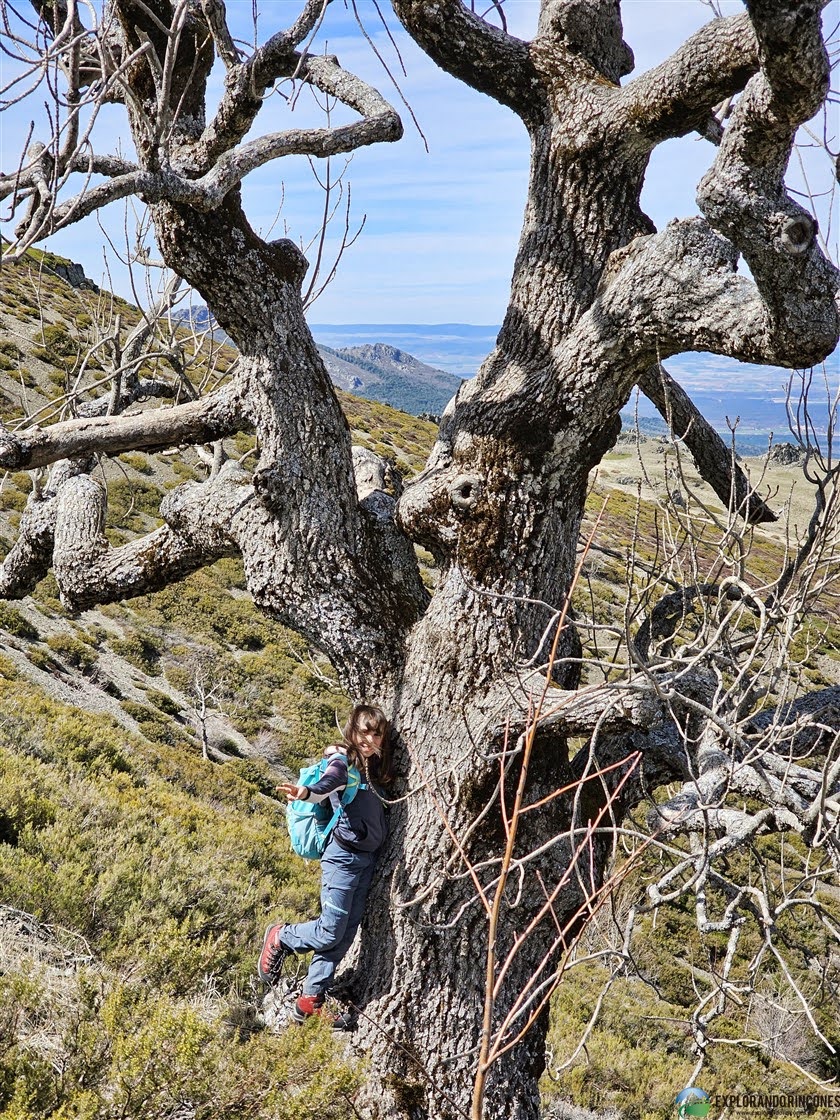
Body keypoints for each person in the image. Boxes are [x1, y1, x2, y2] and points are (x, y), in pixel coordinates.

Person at [257, 703, 391, 1029]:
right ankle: (280, 937)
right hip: (342, 858)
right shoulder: (343, 760)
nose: (370, 740)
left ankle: (310, 1001)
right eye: (364, 732)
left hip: (366, 860)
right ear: (352, 731)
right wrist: (306, 792)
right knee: (330, 930)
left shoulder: (376, 768)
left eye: (377, 734)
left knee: (343, 935)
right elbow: (330, 781)